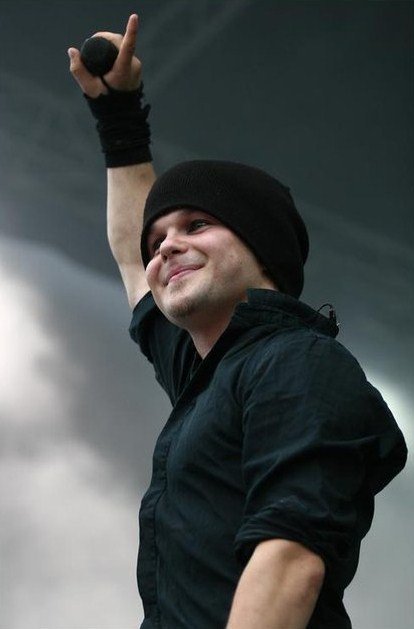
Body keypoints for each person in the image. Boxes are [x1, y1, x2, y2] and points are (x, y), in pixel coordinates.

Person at [68, 14, 407, 629]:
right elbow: (131, 259)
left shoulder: (297, 362)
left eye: (196, 225)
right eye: (158, 240)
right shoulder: (208, 372)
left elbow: (290, 558)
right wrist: (118, 116)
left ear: (262, 246)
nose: (165, 248)